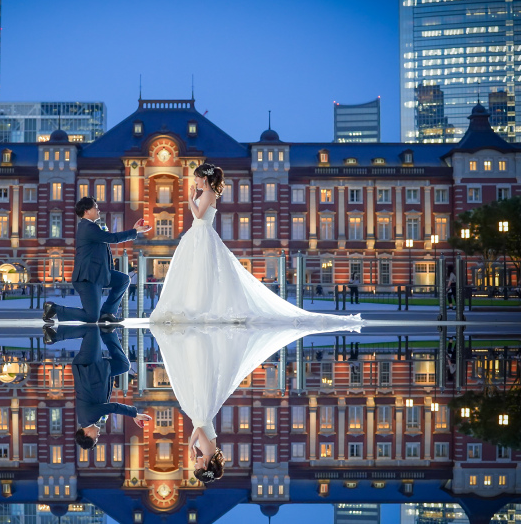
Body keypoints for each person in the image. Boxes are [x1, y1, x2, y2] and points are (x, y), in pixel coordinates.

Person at [149, 163, 363, 326]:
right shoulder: (207, 193)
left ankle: (201, 308)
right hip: (199, 234)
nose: (194, 181)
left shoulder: (207, 193)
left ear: (203, 178)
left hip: (202, 233)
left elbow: (198, 214)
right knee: (200, 272)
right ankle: (198, 307)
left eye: (196, 177)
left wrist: (189, 199)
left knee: (203, 272)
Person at [150, 319, 363, 483]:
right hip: (201, 411)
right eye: (196, 467)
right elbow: (199, 431)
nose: (193, 463)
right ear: (204, 465)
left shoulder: (212, 451)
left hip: (204, 409)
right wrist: (190, 446)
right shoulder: (206, 451)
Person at [43, 197, 151, 325]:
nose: (99, 210)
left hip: (99, 274)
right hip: (87, 278)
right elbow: (112, 238)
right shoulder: (87, 227)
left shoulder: (92, 227)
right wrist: (135, 231)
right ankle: (54, 309)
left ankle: (107, 313)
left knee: (123, 280)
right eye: (95, 207)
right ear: (87, 211)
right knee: (91, 317)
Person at [47, 325, 151, 449]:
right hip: (98, 373)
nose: (98, 435)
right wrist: (109, 376)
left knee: (92, 329)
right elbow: (104, 397)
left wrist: (134, 414)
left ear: (86, 433)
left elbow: (113, 407)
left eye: (95, 437)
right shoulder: (91, 419)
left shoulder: (88, 417)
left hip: (88, 368)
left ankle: (54, 335)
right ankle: (108, 330)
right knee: (123, 365)